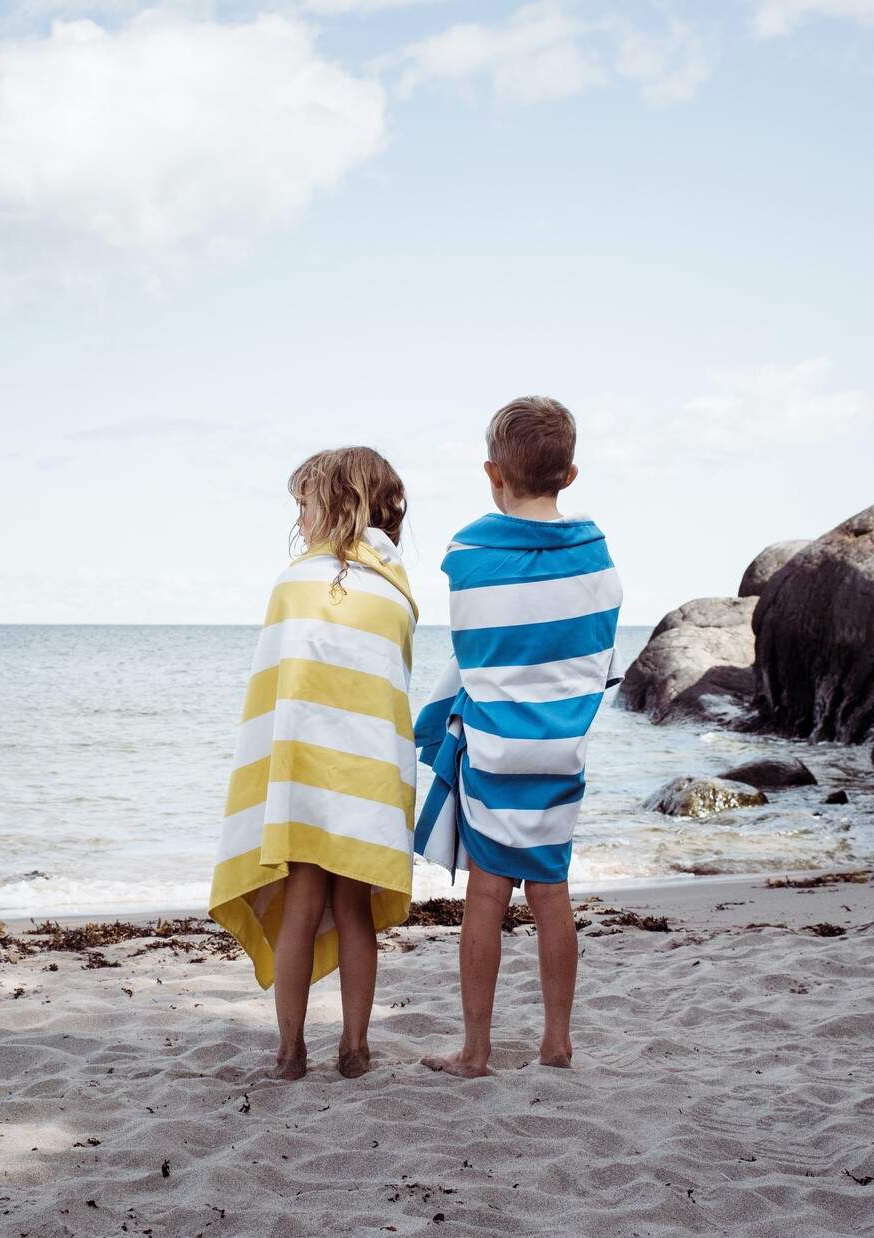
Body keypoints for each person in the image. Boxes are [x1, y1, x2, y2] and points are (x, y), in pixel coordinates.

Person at [414, 397, 623, 1077]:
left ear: (490, 472)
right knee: (552, 893)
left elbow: (478, 655)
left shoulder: (468, 555)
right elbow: (596, 662)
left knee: (486, 895)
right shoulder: (597, 561)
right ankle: (556, 1043)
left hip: (495, 755)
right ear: (570, 475)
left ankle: (476, 1050)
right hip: (561, 754)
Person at [209, 447, 419, 1080]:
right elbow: (385, 692)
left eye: (304, 501)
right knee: (353, 910)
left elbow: (278, 696)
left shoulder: (293, 584)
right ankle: (355, 1049)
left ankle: (290, 1049)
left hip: (300, 772)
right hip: (366, 776)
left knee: (302, 901)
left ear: (333, 501)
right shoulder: (395, 591)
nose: (299, 515)